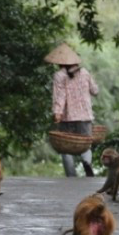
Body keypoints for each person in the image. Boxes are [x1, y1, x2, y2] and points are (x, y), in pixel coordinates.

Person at [45, 43, 99, 177]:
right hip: (85, 115)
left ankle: (71, 175)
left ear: (59, 62)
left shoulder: (59, 75)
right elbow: (95, 91)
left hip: (67, 117)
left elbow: (60, 95)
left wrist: (57, 112)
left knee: (66, 147)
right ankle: (87, 163)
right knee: (86, 144)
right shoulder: (85, 72)